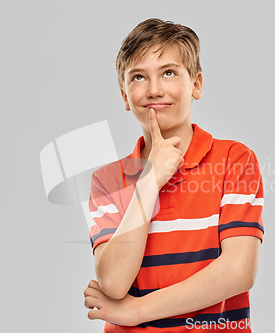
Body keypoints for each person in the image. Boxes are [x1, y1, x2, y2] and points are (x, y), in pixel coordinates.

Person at [83, 18, 264, 332]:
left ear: (196, 84)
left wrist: (136, 311)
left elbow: (238, 269)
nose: (154, 89)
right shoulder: (107, 181)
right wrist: (150, 180)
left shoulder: (235, 160)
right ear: (125, 95)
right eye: (138, 77)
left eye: (169, 72)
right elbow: (112, 282)